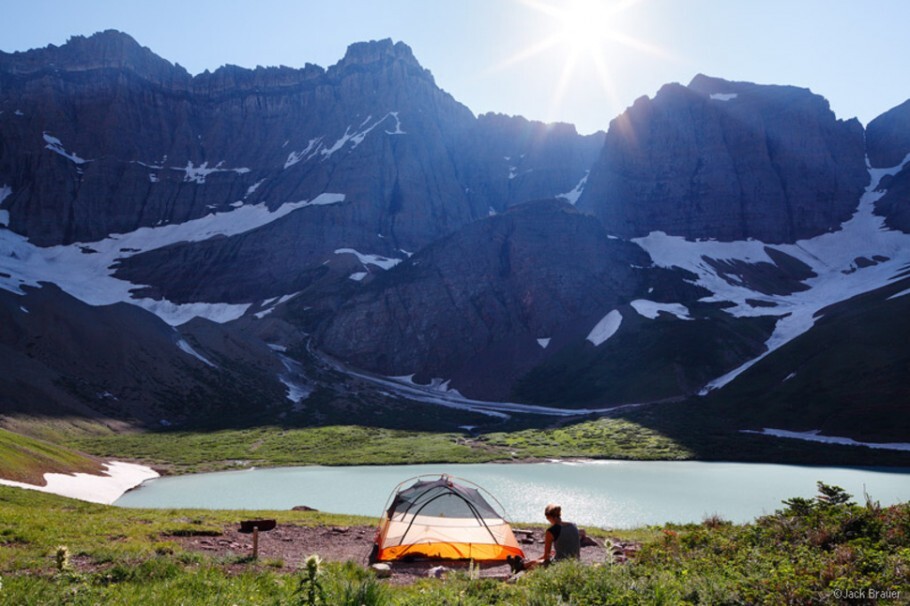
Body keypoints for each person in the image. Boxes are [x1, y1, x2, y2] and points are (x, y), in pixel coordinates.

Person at [507, 503, 580, 573]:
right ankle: (522, 564)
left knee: (539, 563)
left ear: (548, 517)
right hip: (576, 563)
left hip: (560, 565)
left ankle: (521, 566)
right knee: (544, 559)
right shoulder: (573, 525)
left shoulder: (551, 531)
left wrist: (536, 560)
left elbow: (546, 557)